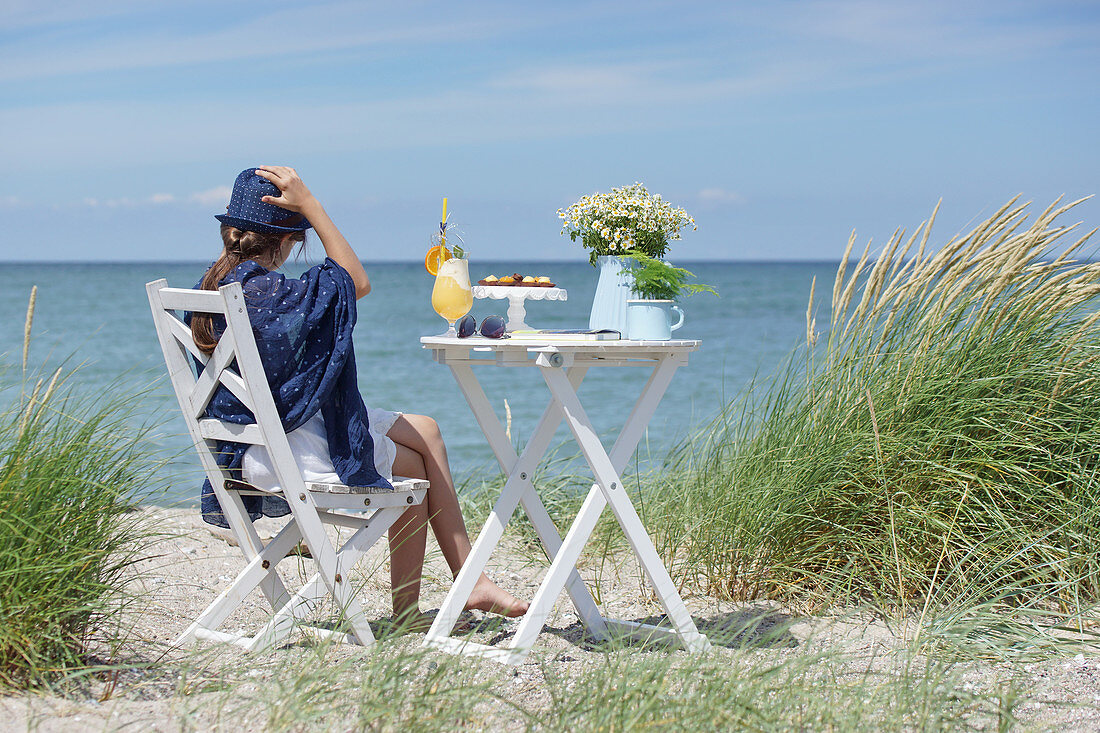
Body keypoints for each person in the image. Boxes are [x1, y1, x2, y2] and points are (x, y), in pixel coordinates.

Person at [190, 165, 528, 627]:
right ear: (288, 240)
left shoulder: (210, 287)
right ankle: (428, 601)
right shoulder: (267, 292)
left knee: (426, 429)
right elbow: (356, 281)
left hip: (249, 441)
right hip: (277, 451)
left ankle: (468, 581)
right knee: (414, 468)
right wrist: (312, 206)